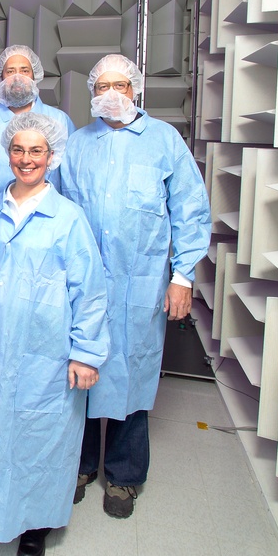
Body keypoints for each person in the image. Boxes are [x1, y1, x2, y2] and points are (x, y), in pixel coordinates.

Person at [0, 112, 109, 556]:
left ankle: (34, 524)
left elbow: (90, 292)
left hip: (45, 355)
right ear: (9, 154)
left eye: (36, 151)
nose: (26, 159)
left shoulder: (68, 220)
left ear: (51, 156)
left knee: (38, 437)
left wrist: (85, 353)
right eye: (18, 150)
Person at [61, 53, 212, 519]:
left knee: (132, 373)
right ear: (91, 93)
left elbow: (191, 210)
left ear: (136, 89)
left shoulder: (164, 141)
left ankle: (124, 476)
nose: (111, 93)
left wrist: (182, 276)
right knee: (79, 372)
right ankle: (79, 466)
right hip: (84, 285)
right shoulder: (77, 145)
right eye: (102, 85)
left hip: (141, 285)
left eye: (120, 85)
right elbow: (62, 213)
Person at [0, 44, 76, 241]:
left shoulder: (59, 122)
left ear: (36, 77)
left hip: (48, 232)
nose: (17, 77)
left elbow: (71, 182)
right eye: (10, 71)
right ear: (1, 79)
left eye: (24, 71)